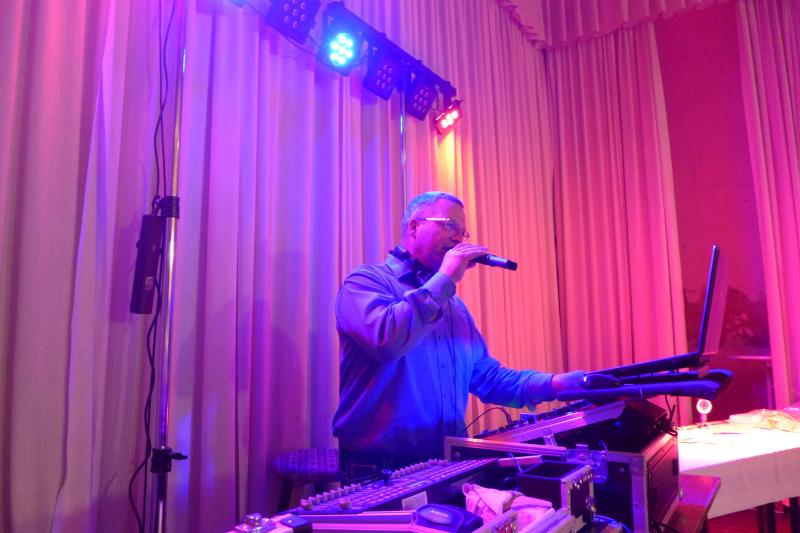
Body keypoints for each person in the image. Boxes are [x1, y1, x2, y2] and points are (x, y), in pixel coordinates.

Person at [332, 191, 584, 480]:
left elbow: (488, 378)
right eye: (449, 225)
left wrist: (556, 384)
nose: (458, 238)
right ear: (414, 227)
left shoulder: (453, 307)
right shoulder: (365, 282)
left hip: (444, 463)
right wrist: (446, 279)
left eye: (462, 232)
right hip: (378, 469)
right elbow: (387, 340)